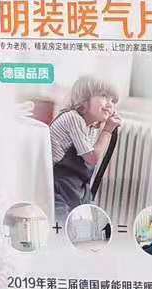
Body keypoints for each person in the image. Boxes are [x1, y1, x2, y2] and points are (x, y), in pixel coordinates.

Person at [51, 77, 121, 222]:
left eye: (113, 101)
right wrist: (107, 130)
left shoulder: (92, 126)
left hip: (75, 185)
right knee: (64, 225)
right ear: (84, 98)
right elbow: (92, 158)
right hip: (58, 187)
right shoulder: (73, 118)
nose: (110, 104)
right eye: (104, 96)